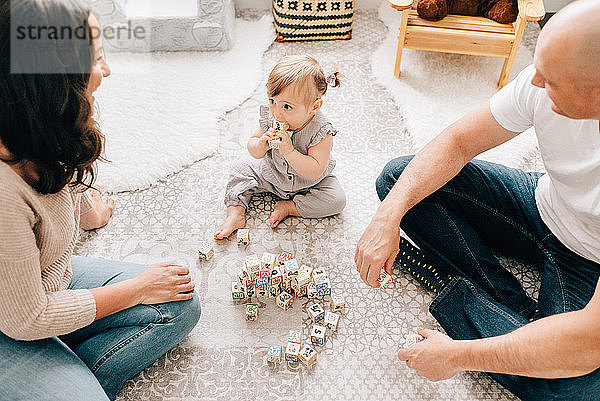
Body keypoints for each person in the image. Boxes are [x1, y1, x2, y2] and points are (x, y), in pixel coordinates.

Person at [355, 0, 600, 399]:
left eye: (551, 78)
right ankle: (525, 331)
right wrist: (387, 218)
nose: (535, 81)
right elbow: (457, 141)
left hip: (590, 262)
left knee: (574, 389)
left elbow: (590, 342)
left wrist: (457, 355)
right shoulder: (542, 79)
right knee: (399, 180)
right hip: (542, 204)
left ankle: (465, 298)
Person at [0, 1, 201, 400]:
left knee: (180, 301)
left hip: (46, 285)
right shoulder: (4, 191)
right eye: (97, 58)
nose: (106, 70)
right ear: (54, 80)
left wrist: (86, 215)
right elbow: (25, 318)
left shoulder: (43, 124)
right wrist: (137, 289)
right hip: (13, 317)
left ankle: (61, 369)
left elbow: (61, 193)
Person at [215, 54, 346, 238]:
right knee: (240, 167)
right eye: (272, 101)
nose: (277, 112)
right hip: (272, 174)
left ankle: (291, 207)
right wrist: (262, 144)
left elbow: (315, 170)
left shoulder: (321, 131)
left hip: (310, 183)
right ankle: (236, 212)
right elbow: (253, 147)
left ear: (314, 107)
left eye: (287, 107)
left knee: (337, 200)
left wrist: (290, 152)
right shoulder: (272, 117)